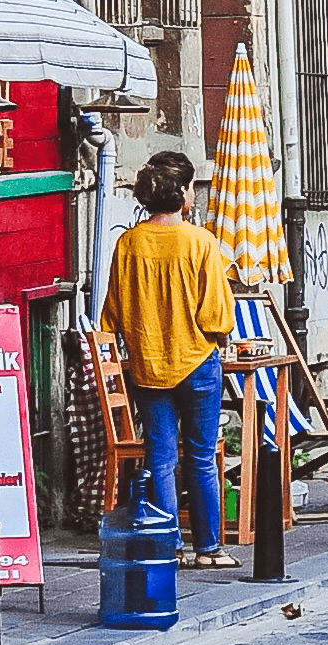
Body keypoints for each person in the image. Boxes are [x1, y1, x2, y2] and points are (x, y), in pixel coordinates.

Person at [102, 156, 239, 569]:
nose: (193, 194)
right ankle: (209, 548)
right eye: (191, 186)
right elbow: (216, 314)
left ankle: (168, 546)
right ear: (181, 194)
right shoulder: (201, 242)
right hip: (196, 361)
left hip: (149, 365)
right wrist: (220, 339)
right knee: (200, 457)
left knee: (160, 458)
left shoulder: (129, 243)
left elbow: (114, 314)